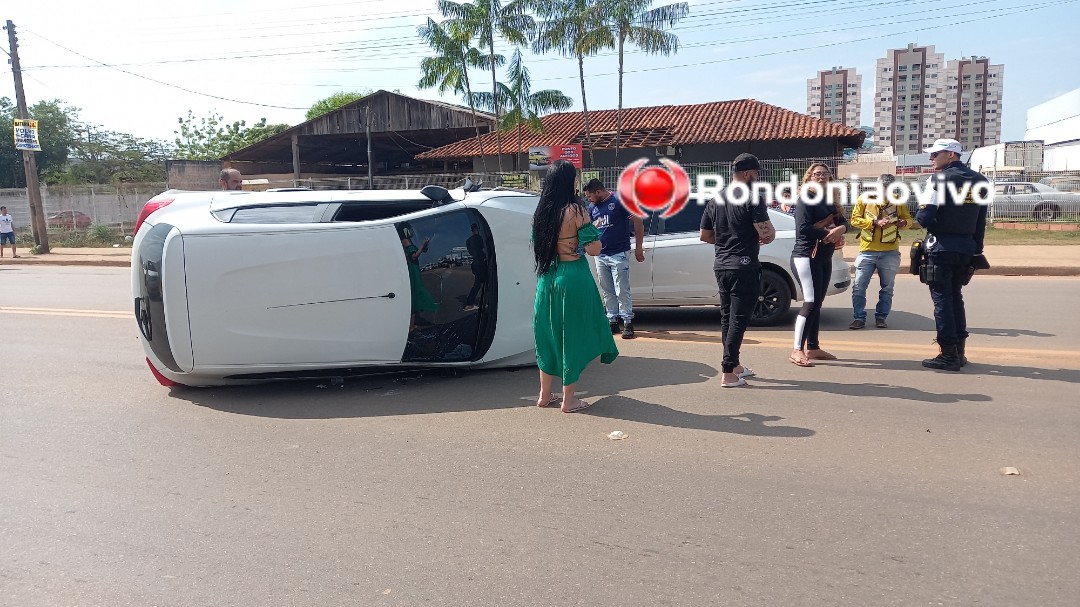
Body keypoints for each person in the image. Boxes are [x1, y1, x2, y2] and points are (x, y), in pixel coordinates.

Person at [532, 160, 619, 413]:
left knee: (547, 335)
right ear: (570, 182)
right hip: (572, 277)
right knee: (572, 335)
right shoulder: (576, 210)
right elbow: (594, 248)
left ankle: (544, 394)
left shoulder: (541, 212)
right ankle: (569, 400)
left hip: (546, 278)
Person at [699, 153, 776, 388]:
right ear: (746, 174)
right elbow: (766, 233)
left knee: (727, 318)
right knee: (738, 320)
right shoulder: (753, 198)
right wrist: (764, 236)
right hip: (744, 266)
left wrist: (726, 241)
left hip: (722, 265)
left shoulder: (716, 199)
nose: (758, 177)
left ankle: (736, 366)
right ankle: (728, 372)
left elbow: (705, 235)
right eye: (756, 173)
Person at [915, 139, 988, 371]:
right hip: (966, 247)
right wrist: (976, 249)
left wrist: (921, 214)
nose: (931, 158)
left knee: (943, 300)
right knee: (956, 297)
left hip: (942, 247)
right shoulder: (980, 181)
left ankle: (948, 354)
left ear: (951, 155)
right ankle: (959, 352)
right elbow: (980, 222)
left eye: (935, 154)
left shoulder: (937, 179)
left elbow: (925, 218)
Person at [789, 163, 848, 367]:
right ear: (809, 177)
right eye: (817, 174)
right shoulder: (806, 198)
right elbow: (803, 229)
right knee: (811, 302)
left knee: (818, 302)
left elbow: (844, 222)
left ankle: (813, 347)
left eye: (825, 173)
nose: (821, 176)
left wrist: (841, 229)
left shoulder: (830, 200)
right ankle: (797, 349)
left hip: (824, 256)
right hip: (806, 256)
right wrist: (828, 234)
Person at [848, 174, 916, 329]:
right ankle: (859, 317)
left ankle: (881, 317)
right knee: (858, 287)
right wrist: (874, 222)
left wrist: (903, 222)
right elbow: (854, 220)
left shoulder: (898, 200)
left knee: (887, 288)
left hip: (890, 251)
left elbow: (909, 220)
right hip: (867, 251)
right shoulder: (864, 199)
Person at [583, 178, 646, 339]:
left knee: (621, 289)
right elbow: (589, 229)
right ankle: (612, 320)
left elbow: (638, 220)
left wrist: (639, 246)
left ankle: (627, 322)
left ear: (598, 192)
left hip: (618, 253)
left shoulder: (619, 200)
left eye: (590, 196)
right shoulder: (592, 207)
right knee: (607, 290)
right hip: (601, 255)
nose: (589, 200)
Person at [399, 223, 439, 333]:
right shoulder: (405, 241)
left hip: (414, 270)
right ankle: (411, 326)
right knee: (415, 297)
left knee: (416, 295)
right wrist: (422, 246)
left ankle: (414, 322)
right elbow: (414, 256)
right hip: (413, 271)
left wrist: (424, 245)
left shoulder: (408, 241)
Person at [463, 223, 487, 312]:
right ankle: (469, 304)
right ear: (478, 228)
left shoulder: (468, 241)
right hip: (481, 263)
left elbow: (470, 253)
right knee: (481, 283)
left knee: (479, 283)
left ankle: (474, 302)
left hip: (475, 263)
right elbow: (484, 250)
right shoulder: (480, 239)